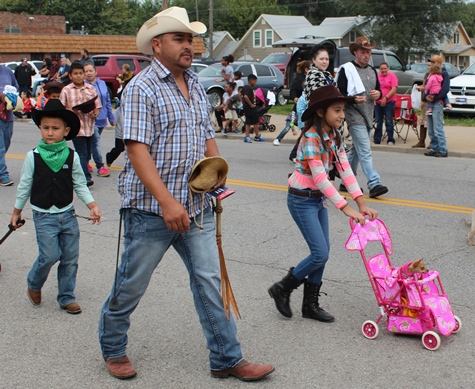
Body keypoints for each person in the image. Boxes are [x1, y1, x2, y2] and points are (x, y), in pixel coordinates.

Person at [98, 6, 274, 382]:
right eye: (179, 38)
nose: (188, 45)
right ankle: (113, 349)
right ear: (157, 44)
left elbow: (205, 133)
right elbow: (136, 149)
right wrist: (166, 202)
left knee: (209, 281)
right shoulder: (141, 87)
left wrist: (218, 171)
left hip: (197, 206)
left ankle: (227, 357)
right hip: (150, 210)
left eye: (190, 39)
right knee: (130, 286)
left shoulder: (194, 83)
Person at [268, 85, 378, 322]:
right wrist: (346, 208)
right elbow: (320, 177)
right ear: (320, 112)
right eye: (337, 110)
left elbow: (345, 170)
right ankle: (282, 288)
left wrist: (361, 203)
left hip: (317, 200)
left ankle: (310, 305)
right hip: (301, 200)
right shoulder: (310, 138)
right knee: (319, 253)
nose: (342, 115)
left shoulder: (334, 136)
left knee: (322, 253)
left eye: (343, 111)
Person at [10, 99, 101, 314]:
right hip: (43, 216)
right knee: (49, 256)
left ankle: (67, 296)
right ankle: (34, 282)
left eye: (55, 128)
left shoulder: (72, 156)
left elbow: (79, 183)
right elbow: (25, 185)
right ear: (40, 128)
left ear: (66, 130)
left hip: (67, 215)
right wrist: (16, 211)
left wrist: (92, 205)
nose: (50, 132)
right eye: (45, 128)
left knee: (70, 258)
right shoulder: (33, 156)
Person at [336, 35, 389, 198]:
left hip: (368, 114)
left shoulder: (372, 71)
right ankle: (374, 183)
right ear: (355, 52)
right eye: (363, 52)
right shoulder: (346, 69)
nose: (366, 55)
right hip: (354, 115)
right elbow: (339, 93)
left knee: (356, 152)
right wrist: (353, 99)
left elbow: (378, 91)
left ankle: (346, 182)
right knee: (365, 150)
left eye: (369, 52)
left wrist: (378, 94)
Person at [60, 62, 101, 186]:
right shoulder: (66, 90)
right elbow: (61, 108)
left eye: (80, 73)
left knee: (87, 153)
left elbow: (97, 105)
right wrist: (71, 111)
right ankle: (84, 178)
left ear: (84, 74)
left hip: (89, 126)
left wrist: (95, 112)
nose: (78, 76)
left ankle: (76, 173)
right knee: (81, 152)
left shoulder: (91, 89)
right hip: (76, 127)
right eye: (75, 74)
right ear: (71, 76)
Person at [84, 63, 115, 177]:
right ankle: (100, 166)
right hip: (90, 120)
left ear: (95, 72)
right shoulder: (83, 86)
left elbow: (107, 101)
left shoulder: (102, 84)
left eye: (90, 70)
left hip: (102, 118)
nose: (88, 73)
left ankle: (86, 161)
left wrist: (111, 118)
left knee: (91, 143)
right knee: (96, 142)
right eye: (86, 71)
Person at [273, 60, 310, 146]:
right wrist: (295, 97)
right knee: (288, 126)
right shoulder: (299, 79)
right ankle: (278, 139)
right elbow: (293, 90)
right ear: (306, 69)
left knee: (305, 129)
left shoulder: (311, 79)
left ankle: (302, 146)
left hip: (306, 109)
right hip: (298, 109)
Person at [424, 55, 449, 158]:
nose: (431, 64)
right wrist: (426, 96)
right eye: (431, 62)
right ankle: (434, 148)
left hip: (438, 102)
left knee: (437, 127)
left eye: (433, 62)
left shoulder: (443, 73)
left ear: (438, 63)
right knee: (430, 127)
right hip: (430, 101)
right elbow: (426, 87)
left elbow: (445, 89)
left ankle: (443, 149)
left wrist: (436, 97)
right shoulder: (430, 74)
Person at [0, 64, 19, 186]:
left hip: (8, 113)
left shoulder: (7, 71)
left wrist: (12, 96)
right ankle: (3, 174)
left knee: (6, 143)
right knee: (0, 146)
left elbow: (16, 87)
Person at [373, 62, 398, 145]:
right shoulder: (377, 76)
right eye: (381, 69)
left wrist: (386, 98)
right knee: (378, 121)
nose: (383, 70)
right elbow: (374, 88)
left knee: (388, 120)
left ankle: (390, 139)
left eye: (385, 68)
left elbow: (394, 89)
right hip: (378, 101)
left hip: (389, 101)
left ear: (388, 68)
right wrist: (374, 99)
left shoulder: (392, 76)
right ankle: (377, 139)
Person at [412, 60, 431, 148]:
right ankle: (421, 141)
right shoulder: (427, 74)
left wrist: (423, 88)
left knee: (430, 122)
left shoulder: (437, 75)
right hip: (423, 100)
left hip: (430, 101)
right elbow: (424, 85)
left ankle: (432, 142)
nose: (428, 67)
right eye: (428, 65)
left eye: (430, 65)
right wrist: (418, 87)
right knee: (422, 121)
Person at [242, 74, 265, 143]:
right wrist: (251, 104)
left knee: (248, 122)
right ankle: (257, 136)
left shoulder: (244, 87)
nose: (255, 83)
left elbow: (240, 94)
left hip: (246, 107)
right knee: (255, 122)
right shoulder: (249, 88)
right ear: (251, 80)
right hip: (250, 108)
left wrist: (243, 102)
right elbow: (246, 96)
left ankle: (247, 136)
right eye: (255, 81)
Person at [105, 100, 124, 167]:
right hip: (120, 134)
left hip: (130, 133)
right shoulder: (119, 110)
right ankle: (109, 157)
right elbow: (113, 120)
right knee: (120, 148)